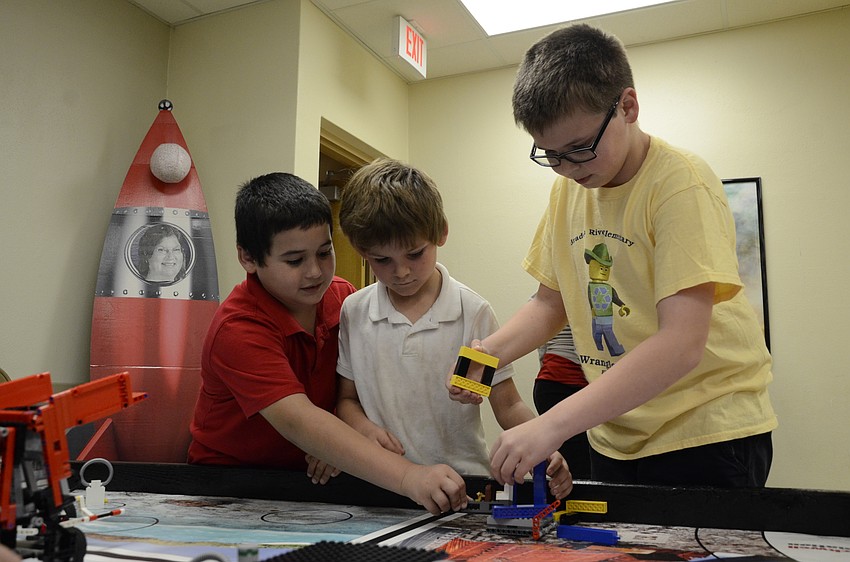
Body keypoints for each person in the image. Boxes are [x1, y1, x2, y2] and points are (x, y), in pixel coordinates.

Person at [449, 24, 777, 488]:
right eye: (551, 154)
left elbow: (682, 343)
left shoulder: (679, 183)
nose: (567, 168)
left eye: (580, 148)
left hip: (705, 430)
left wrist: (550, 424)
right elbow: (550, 303)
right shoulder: (568, 192)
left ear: (627, 106)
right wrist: (488, 355)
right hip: (618, 432)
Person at [187, 172, 467, 515]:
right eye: (294, 261)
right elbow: (299, 421)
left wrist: (344, 435)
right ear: (248, 258)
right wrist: (410, 477)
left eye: (324, 252)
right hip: (232, 484)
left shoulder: (344, 298)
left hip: (321, 474)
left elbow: (356, 391)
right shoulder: (238, 329)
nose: (315, 272)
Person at [336, 158, 572, 499]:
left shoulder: (471, 312)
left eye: (415, 254)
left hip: (462, 486)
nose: (401, 272)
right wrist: (363, 429)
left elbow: (507, 405)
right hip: (381, 482)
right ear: (362, 252)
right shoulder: (354, 312)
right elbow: (345, 399)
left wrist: (544, 446)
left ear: (441, 232)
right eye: (382, 260)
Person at [534, 324, 591, 480]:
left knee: (571, 467)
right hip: (572, 379)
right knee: (582, 469)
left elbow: (541, 346)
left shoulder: (540, 300)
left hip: (549, 381)